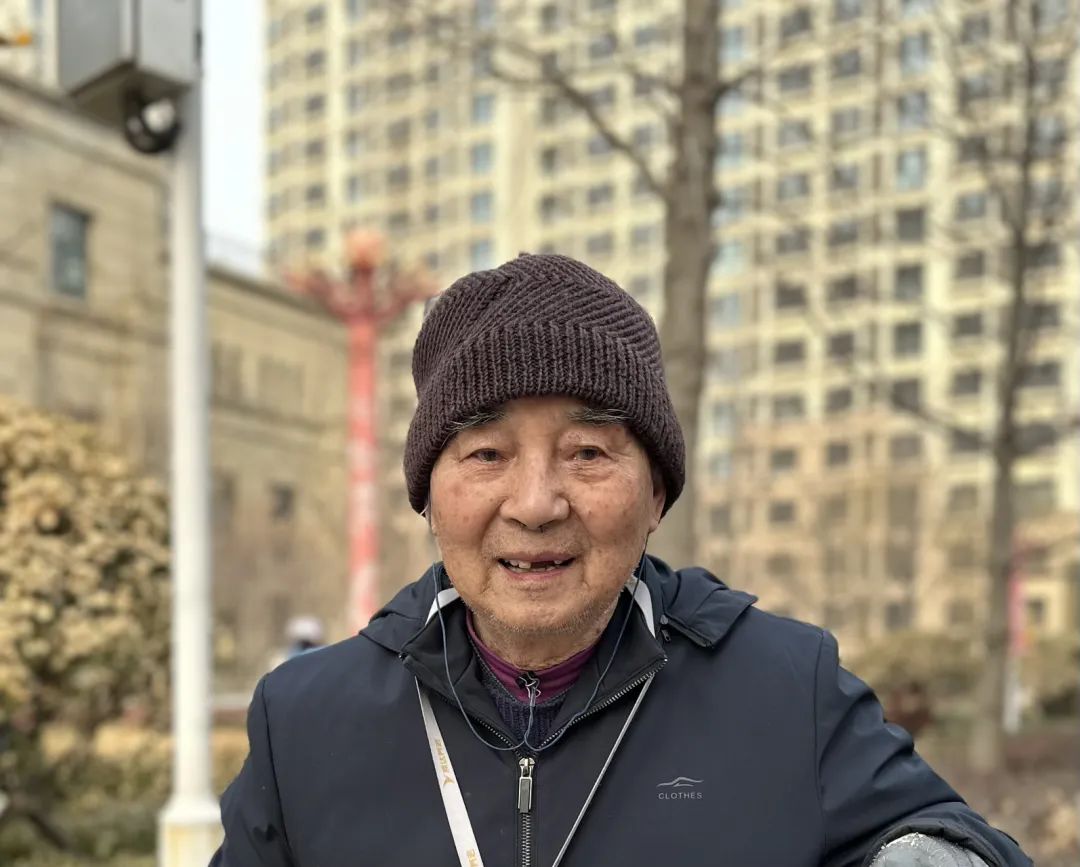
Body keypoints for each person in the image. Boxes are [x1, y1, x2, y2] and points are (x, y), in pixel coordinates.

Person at [212, 255, 1030, 867]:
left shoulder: (786, 690)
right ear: (429, 494)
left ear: (656, 494)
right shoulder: (306, 720)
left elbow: (951, 837)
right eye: (487, 453)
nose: (536, 503)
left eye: (588, 452)